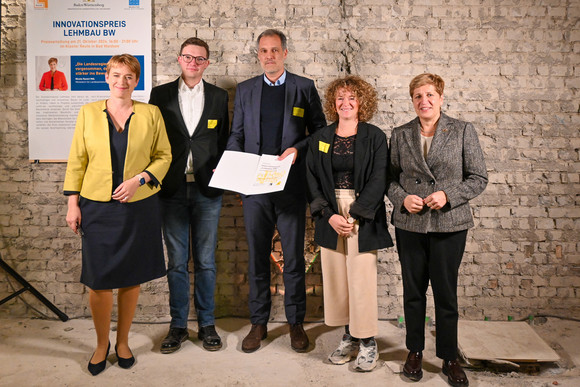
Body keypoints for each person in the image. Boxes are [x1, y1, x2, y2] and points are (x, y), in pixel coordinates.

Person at [64, 54, 171, 376]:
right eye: (116, 75)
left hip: (139, 205)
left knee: (131, 277)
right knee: (98, 280)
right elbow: (77, 160)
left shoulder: (151, 113)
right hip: (96, 206)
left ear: (136, 81)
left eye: (129, 77)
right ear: (106, 77)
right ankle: (101, 344)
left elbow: (164, 155)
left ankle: (122, 342)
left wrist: (140, 179)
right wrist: (73, 203)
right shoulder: (87, 113)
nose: (122, 82)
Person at [227, 28, 327, 353]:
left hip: (290, 186)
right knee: (257, 257)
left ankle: (296, 323)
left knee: (294, 259)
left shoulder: (304, 88)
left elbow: (320, 132)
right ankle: (259, 323)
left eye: (274, 50)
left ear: (285, 53)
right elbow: (237, 135)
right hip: (254, 188)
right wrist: (231, 166)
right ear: (258, 55)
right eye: (263, 51)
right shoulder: (245, 90)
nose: (269, 56)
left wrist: (298, 149)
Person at [387, 73, 487, 387]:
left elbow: (478, 178)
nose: (424, 101)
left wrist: (448, 195)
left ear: (441, 98)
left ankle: (449, 357)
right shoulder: (400, 133)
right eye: (418, 95)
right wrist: (403, 199)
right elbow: (389, 179)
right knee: (413, 293)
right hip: (411, 225)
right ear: (412, 100)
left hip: (450, 224)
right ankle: (414, 351)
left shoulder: (462, 130)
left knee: (445, 294)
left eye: (430, 95)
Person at [306, 76, 393, 372]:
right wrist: (329, 215)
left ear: (362, 102)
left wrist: (355, 213)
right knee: (337, 280)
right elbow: (312, 179)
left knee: (361, 278)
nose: (346, 103)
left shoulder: (375, 136)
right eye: (340, 98)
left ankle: (368, 340)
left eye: (352, 98)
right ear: (333, 103)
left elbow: (380, 178)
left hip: (362, 213)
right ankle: (348, 336)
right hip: (330, 213)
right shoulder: (320, 136)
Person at [149, 37, 229, 353]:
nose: (193, 62)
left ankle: (207, 325)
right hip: (170, 189)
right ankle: (178, 326)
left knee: (207, 262)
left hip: (208, 190)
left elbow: (224, 140)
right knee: (177, 262)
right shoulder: (160, 95)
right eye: (188, 57)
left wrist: (223, 177)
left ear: (207, 63)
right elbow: (152, 140)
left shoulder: (220, 97)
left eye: (200, 58)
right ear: (179, 59)